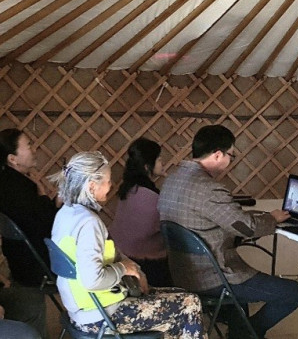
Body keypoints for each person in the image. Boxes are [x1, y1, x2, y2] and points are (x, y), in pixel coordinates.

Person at [158, 125, 298, 339]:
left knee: (241, 302)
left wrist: (256, 215)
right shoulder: (209, 188)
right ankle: (247, 334)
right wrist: (272, 219)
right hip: (214, 278)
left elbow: (222, 217)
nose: (230, 161)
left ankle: (239, 330)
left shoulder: (172, 181)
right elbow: (247, 227)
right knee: (293, 292)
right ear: (218, 154)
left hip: (182, 273)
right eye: (231, 155)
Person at [48, 151, 207, 338]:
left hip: (83, 309)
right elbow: (92, 279)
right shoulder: (89, 223)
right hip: (100, 315)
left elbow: (108, 254)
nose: (111, 185)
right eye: (108, 181)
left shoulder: (66, 213)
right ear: (91, 186)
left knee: (179, 295)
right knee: (189, 303)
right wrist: (124, 269)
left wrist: (134, 269)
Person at [0, 128, 58, 338]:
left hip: (20, 264)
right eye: (29, 145)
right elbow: (48, 228)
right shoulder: (21, 188)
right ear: (13, 158)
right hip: (38, 267)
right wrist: (47, 198)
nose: (34, 150)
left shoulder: (7, 182)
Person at [109, 138, 171, 287]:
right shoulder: (150, 197)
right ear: (147, 166)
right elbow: (169, 227)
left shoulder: (129, 189)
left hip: (120, 254)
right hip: (146, 262)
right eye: (159, 159)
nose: (162, 162)